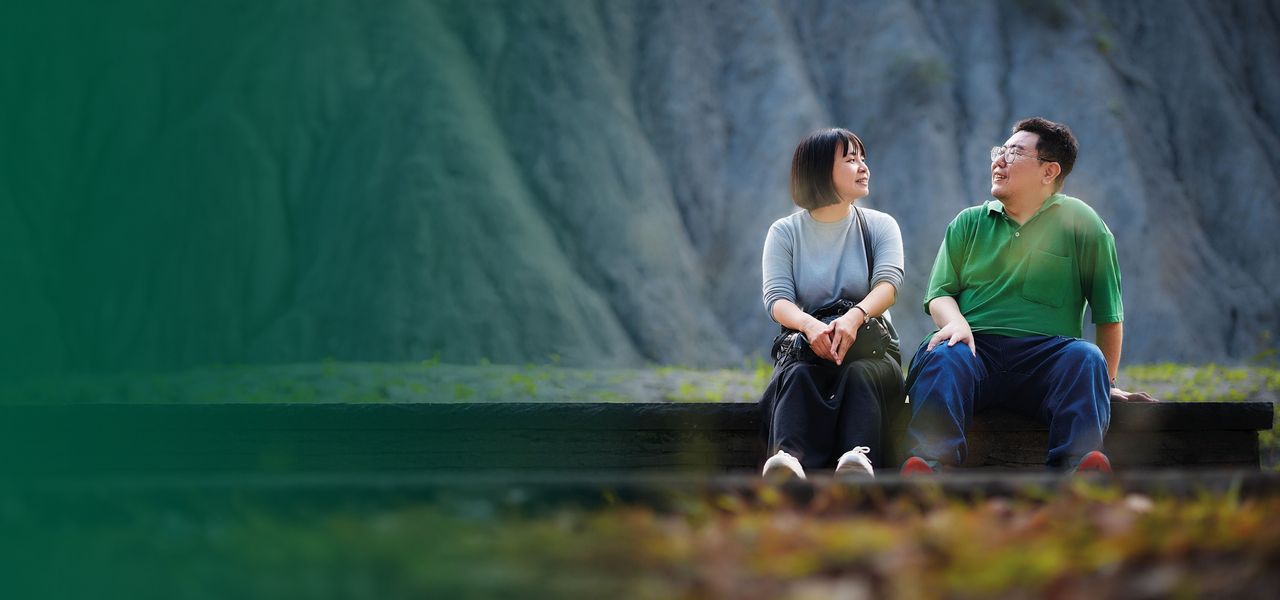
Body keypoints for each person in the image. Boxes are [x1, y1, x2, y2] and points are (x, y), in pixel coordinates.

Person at [900, 117, 1153, 476]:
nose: (999, 161)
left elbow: (1108, 316)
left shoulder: (1083, 224)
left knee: (1085, 356)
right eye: (999, 151)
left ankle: (1078, 470)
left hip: (1046, 359)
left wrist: (1103, 385)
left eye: (1014, 153)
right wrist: (956, 322)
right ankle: (928, 468)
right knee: (943, 355)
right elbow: (940, 294)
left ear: (1049, 172)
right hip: (975, 352)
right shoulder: (968, 223)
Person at [758, 128, 906, 480]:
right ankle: (787, 461)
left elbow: (888, 285)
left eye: (862, 159)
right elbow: (777, 299)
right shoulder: (784, 232)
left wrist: (853, 319)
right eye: (851, 160)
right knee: (797, 374)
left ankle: (859, 459)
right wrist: (811, 327)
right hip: (808, 348)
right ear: (821, 170)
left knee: (860, 374)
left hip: (871, 351)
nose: (863, 167)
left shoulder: (880, 225)